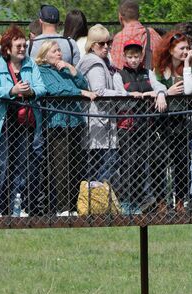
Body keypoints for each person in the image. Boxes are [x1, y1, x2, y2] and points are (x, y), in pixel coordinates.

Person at [0, 25, 46, 217]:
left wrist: (31, 92)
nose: (22, 49)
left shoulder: (31, 64)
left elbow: (42, 87)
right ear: (7, 49)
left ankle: (18, 207)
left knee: (22, 166)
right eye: (18, 46)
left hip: (25, 123)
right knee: (2, 165)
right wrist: (12, 91)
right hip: (3, 123)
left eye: (24, 45)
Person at [36, 40, 95, 216]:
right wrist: (79, 93)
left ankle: (74, 205)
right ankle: (62, 207)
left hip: (75, 122)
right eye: (54, 51)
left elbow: (83, 84)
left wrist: (71, 68)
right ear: (45, 55)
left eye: (59, 50)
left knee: (75, 165)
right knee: (60, 166)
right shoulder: (42, 71)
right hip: (57, 124)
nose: (59, 54)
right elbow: (56, 89)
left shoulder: (64, 70)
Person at [112, 40, 166, 213]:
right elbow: (120, 94)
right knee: (130, 163)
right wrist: (131, 95)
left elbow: (160, 86)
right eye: (130, 57)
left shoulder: (148, 73)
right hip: (127, 126)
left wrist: (159, 94)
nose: (134, 60)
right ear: (124, 57)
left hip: (146, 126)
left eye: (136, 56)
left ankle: (145, 200)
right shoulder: (119, 75)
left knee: (148, 161)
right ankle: (127, 202)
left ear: (141, 56)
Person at [151, 30, 192, 212]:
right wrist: (164, 93)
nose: (186, 51)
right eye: (182, 48)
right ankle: (161, 200)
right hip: (162, 120)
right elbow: (155, 86)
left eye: (188, 48)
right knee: (159, 160)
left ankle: (180, 200)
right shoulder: (159, 69)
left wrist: (186, 64)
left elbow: (190, 89)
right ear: (171, 50)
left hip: (182, 120)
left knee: (181, 160)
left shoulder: (191, 67)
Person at [76, 25, 126, 184]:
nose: (106, 47)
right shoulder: (95, 64)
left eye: (108, 43)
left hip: (101, 123)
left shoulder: (103, 61)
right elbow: (99, 91)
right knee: (104, 167)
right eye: (101, 44)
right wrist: (123, 95)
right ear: (92, 45)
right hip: (98, 124)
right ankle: (95, 203)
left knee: (104, 167)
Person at [110, 0, 161, 70]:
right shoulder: (152, 33)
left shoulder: (119, 38)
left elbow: (117, 67)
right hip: (151, 79)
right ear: (138, 16)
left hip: (126, 80)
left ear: (120, 17)